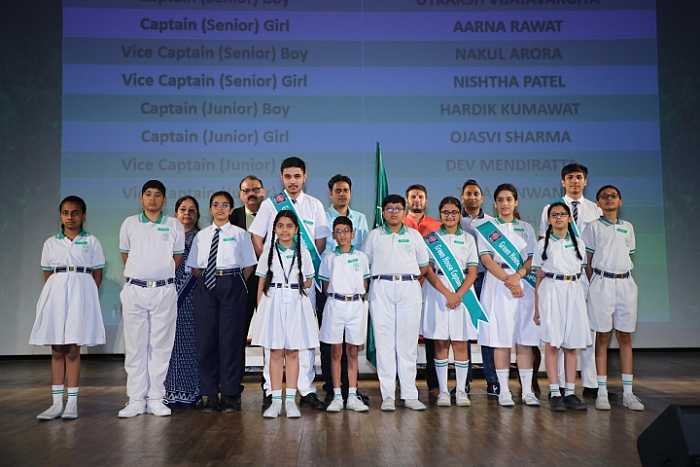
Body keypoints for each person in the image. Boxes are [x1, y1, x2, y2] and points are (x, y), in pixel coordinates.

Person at [249, 157, 329, 412]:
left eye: (297, 176)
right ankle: (270, 390)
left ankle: (305, 389)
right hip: (274, 287)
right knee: (272, 342)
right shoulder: (270, 205)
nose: (292, 181)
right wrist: (273, 264)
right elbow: (257, 237)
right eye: (287, 176)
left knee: (302, 338)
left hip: (302, 284)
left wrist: (299, 266)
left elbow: (319, 243)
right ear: (281, 177)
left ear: (305, 177)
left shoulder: (315, 205)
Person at [30, 196, 105, 420]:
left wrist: (85, 297)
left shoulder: (92, 241)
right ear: (60, 215)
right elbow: (47, 274)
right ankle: (56, 403)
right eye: (65, 213)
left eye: (75, 213)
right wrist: (57, 293)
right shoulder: (50, 243)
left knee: (73, 348)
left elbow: (97, 273)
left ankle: (72, 403)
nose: (70, 217)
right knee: (57, 348)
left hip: (80, 295)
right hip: (56, 295)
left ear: (83, 216)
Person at [117, 180, 185, 418]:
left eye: (157, 195)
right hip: (135, 290)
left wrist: (159, 273)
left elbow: (177, 257)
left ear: (164, 199)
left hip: (163, 291)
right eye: (148, 194)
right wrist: (142, 274)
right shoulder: (129, 223)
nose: (152, 199)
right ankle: (135, 399)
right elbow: (125, 255)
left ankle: (156, 398)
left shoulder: (174, 224)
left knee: (160, 346)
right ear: (141, 198)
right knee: (135, 346)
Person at [188, 191, 257, 412]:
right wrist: (211, 280)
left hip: (232, 286)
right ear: (210, 209)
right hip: (205, 288)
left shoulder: (240, 234)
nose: (220, 209)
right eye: (216, 205)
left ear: (231, 209)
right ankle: (209, 393)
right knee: (206, 341)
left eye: (225, 205)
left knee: (231, 341)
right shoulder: (201, 236)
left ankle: (230, 394)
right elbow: (195, 268)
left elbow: (248, 266)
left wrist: (230, 282)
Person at [539, 163, 601, 397]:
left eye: (579, 177)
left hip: (584, 275)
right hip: (558, 277)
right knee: (558, 333)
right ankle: (561, 385)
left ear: (585, 181)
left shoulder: (595, 209)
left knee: (585, 330)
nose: (575, 181)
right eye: (570, 177)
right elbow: (544, 239)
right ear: (562, 182)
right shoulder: (550, 208)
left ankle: (590, 382)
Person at [363, 194, 430, 411]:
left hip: (409, 288)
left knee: (407, 344)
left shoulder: (414, 236)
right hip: (381, 288)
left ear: (404, 211)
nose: (393, 212)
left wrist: (408, 282)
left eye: (398, 208)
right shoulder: (374, 236)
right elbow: (364, 265)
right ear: (383, 212)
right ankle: (388, 396)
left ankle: (410, 395)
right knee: (384, 344)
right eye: (389, 209)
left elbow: (424, 266)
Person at [475, 184, 540, 408]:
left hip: (523, 285)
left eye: (509, 199)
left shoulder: (526, 228)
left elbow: (532, 258)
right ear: (495, 203)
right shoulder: (487, 228)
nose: (505, 204)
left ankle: (527, 391)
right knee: (500, 340)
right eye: (501, 200)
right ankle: (503, 390)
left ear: (516, 202)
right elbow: (486, 259)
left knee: (525, 340)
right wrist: (508, 279)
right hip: (497, 285)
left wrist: (518, 276)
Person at [252, 210, 320, 418]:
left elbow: (309, 280)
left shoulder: (303, 252)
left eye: (289, 226)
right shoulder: (268, 251)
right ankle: (275, 401)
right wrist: (260, 311)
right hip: (273, 300)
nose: (284, 230)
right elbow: (261, 282)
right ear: (274, 229)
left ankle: (290, 401)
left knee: (292, 352)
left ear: (296, 229)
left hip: (295, 301)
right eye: (280, 226)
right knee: (275, 352)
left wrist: (296, 284)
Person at [582, 185, 644, 411]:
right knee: (602, 337)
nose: (609, 199)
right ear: (598, 203)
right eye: (604, 197)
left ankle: (628, 393)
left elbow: (630, 256)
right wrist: (596, 283)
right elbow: (588, 261)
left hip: (625, 283)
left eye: (613, 196)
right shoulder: (592, 227)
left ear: (620, 201)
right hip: (602, 283)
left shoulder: (628, 227)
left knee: (625, 337)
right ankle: (601, 392)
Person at [422, 197, 479, 407]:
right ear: (440, 214)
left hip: (463, 292)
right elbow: (428, 270)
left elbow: (472, 272)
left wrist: (458, 294)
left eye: (454, 212)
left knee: (460, 342)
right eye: (445, 212)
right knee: (440, 342)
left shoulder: (468, 239)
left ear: (459, 214)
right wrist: (447, 293)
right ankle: (444, 391)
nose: (450, 216)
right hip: (438, 292)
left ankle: (462, 391)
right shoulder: (431, 239)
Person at [533, 202, 590, 411]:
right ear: (548, 220)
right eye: (554, 215)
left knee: (571, 344)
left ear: (569, 218)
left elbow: (582, 271)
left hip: (573, 291)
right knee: (552, 344)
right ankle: (555, 392)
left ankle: (570, 392)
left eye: (562, 214)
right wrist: (536, 308)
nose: (558, 218)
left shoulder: (579, 243)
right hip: (551, 291)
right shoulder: (542, 244)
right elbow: (538, 277)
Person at [322, 174, 370, 405]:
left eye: (345, 190)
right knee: (332, 349)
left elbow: (365, 267)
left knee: (352, 350)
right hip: (333, 293)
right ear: (330, 193)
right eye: (337, 190)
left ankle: (352, 392)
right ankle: (333, 391)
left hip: (354, 295)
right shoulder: (322, 216)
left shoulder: (360, 219)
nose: (342, 194)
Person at [459, 179, 499, 398]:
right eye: (468, 193)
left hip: (486, 280)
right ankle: (463, 382)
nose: (472, 197)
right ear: (462, 197)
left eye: (476, 193)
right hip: (462, 280)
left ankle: (492, 381)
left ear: (482, 198)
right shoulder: (455, 221)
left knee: (486, 330)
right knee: (463, 331)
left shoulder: (492, 222)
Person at [403, 184, 442, 399]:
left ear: (426, 200)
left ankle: (433, 382)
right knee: (405, 334)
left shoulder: (437, 225)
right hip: (406, 286)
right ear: (407, 200)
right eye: (413, 196)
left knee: (431, 335)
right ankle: (403, 382)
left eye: (420, 196)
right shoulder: (399, 224)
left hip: (431, 285)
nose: (417, 200)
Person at [229, 176, 266, 395]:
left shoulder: (273, 213)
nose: (251, 194)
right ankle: (234, 386)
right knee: (237, 334)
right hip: (242, 283)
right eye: (246, 190)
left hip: (269, 283)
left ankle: (269, 386)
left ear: (263, 192)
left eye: (255, 189)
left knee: (270, 335)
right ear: (240, 194)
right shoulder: (232, 217)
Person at [164, 196, 201, 407]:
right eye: (183, 210)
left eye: (191, 210)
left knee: (188, 347)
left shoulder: (201, 239)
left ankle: (190, 393)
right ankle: (168, 392)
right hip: (165, 301)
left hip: (191, 302)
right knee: (167, 347)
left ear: (197, 215)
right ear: (176, 213)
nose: (187, 214)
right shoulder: (166, 238)